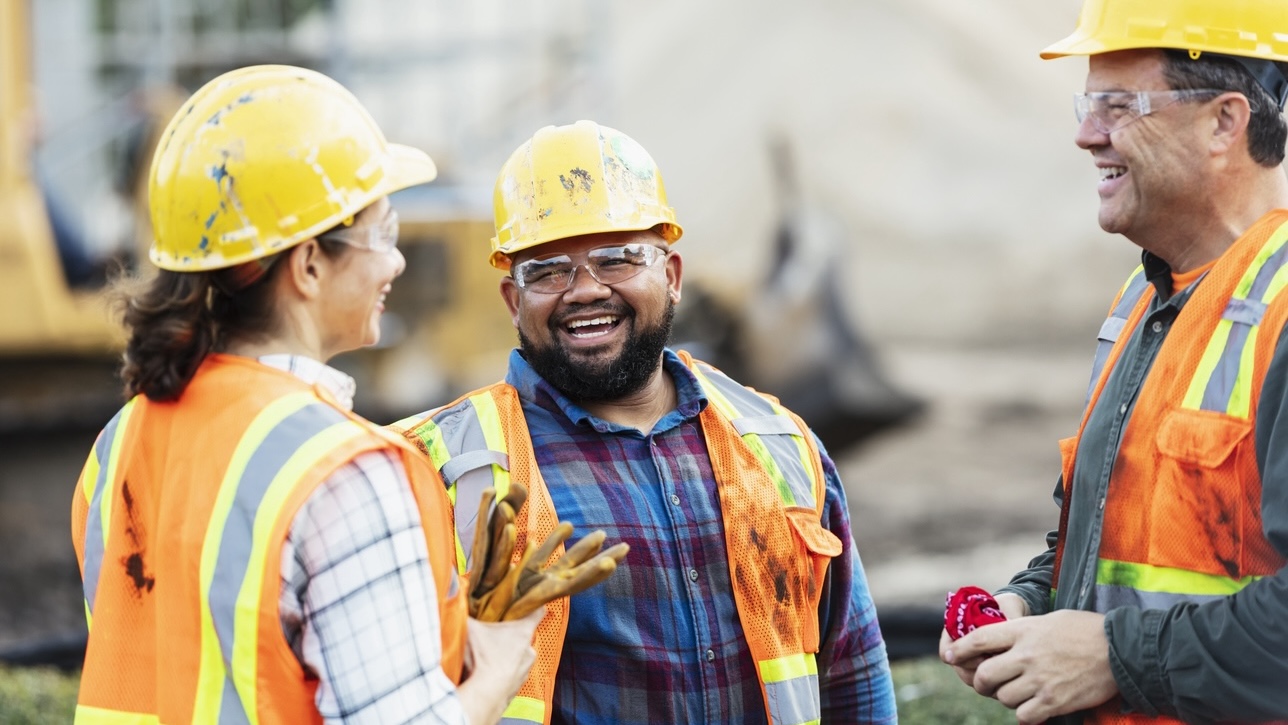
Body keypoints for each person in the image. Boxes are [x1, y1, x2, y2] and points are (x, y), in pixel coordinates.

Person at [69, 65, 543, 724]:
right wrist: (496, 673)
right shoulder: (347, 472)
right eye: (384, 234)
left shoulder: (117, 444)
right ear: (309, 264)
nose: (396, 262)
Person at [391, 120, 897, 724]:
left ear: (673, 276)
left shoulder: (777, 443)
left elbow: (851, 671)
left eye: (617, 259)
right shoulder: (434, 468)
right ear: (511, 300)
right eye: (547, 271)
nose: (583, 290)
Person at [940, 2, 1288, 723]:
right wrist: (1031, 600)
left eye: (1118, 105)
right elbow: (1116, 541)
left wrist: (1111, 654)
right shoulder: (1144, 296)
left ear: (1226, 121)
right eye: (1087, 103)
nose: (1084, 133)